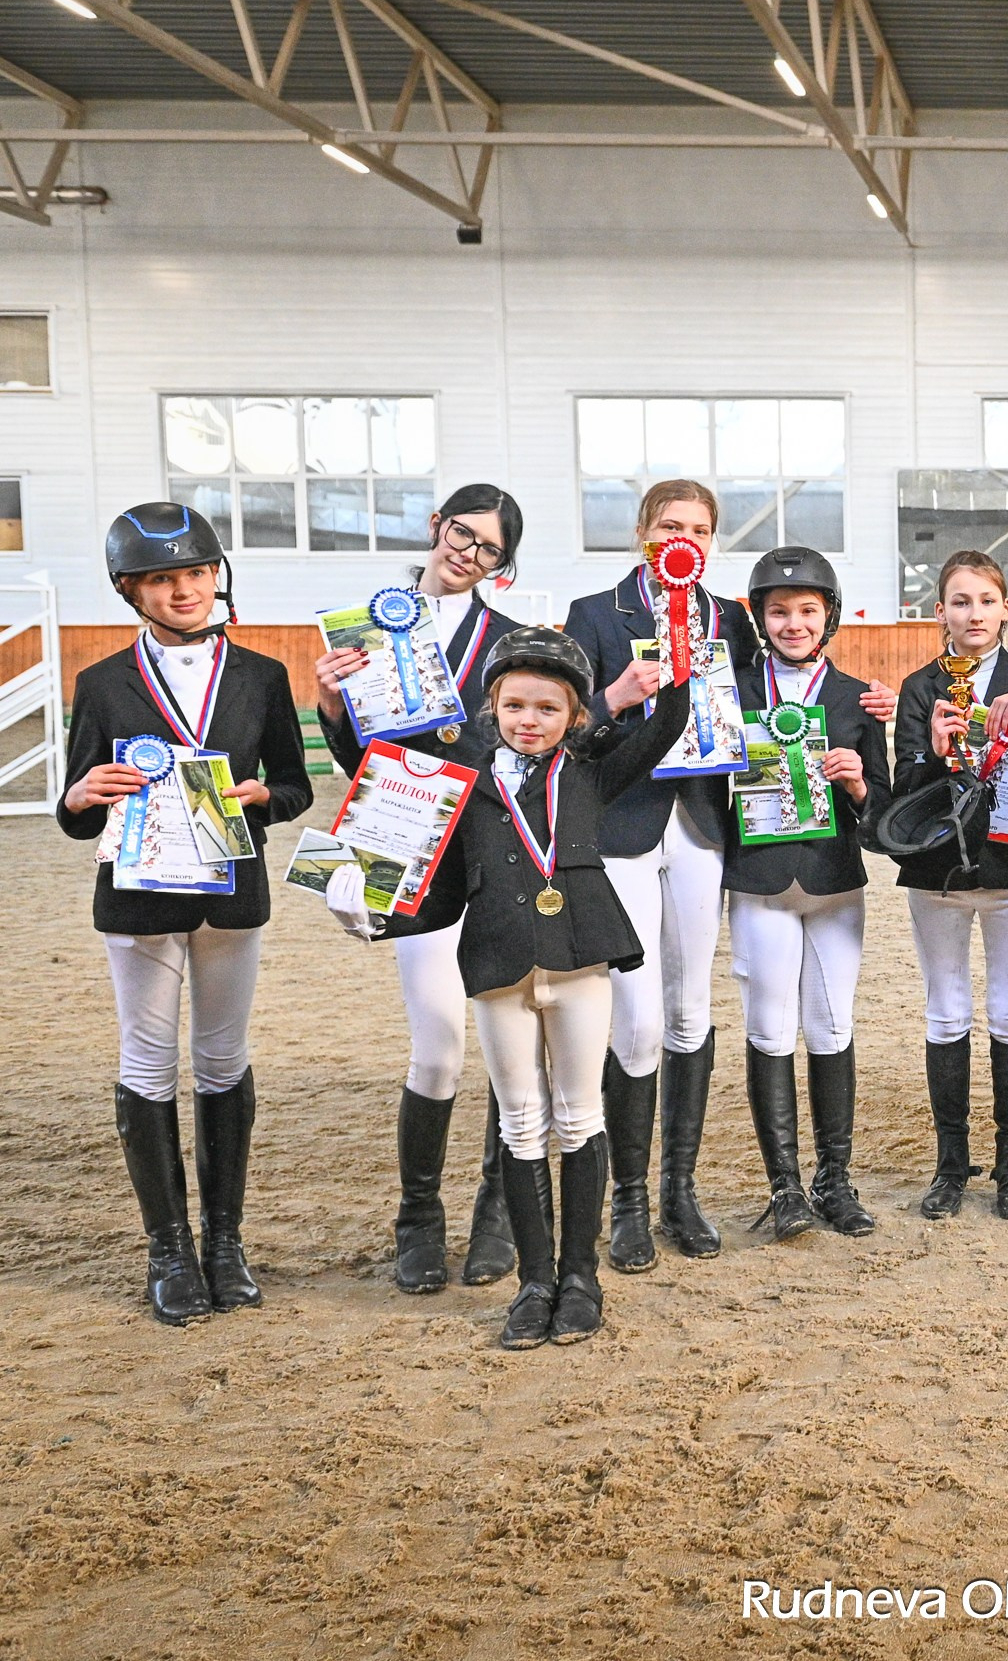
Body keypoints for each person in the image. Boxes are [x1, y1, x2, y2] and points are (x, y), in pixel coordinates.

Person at [333, 628, 690, 1347]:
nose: (530, 719)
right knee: (521, 1122)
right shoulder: (463, 784)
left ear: (576, 716)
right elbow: (438, 885)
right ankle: (534, 1281)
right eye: (515, 705)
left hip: (580, 962)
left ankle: (580, 1277)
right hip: (499, 964)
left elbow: (667, 725)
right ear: (491, 708)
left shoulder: (591, 773)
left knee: (580, 1116)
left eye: (548, 708)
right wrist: (372, 912)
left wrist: (676, 633)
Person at [57, 503, 312, 1325]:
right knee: (146, 1057)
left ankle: (224, 1241)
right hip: (139, 894)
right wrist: (80, 794)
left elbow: (296, 784)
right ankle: (167, 1247)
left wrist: (265, 797)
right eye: (162, 578)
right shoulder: (102, 682)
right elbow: (77, 810)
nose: (184, 589)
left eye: (196, 572)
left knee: (222, 1057)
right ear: (130, 589)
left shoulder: (262, 675)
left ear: (216, 577)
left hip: (229, 889)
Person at [311, 483, 528, 1294]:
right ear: (437, 526)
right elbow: (357, 760)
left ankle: (499, 1210)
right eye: (461, 534)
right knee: (438, 1047)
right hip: (414, 847)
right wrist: (332, 702)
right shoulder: (370, 628)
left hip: (497, 853)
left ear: (501, 563)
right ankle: (418, 1216)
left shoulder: (512, 640)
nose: (467, 554)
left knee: (508, 1045)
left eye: (488, 548)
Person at [561, 482, 759, 1273]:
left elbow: (764, 704)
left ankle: (680, 1188)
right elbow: (569, 727)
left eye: (700, 528)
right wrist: (615, 696)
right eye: (671, 525)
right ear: (643, 532)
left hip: (701, 824)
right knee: (637, 1019)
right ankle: (630, 1198)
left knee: (690, 1009)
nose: (686, 538)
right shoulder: (594, 614)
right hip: (624, 824)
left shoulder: (733, 618)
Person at [724, 546, 891, 1242]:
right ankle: (784, 1186)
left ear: (829, 617)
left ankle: (834, 1178)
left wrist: (858, 783)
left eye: (806, 611)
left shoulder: (858, 698)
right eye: (778, 612)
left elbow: (883, 814)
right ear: (761, 619)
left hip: (832, 882)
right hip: (759, 878)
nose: (793, 623)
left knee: (831, 1024)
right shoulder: (731, 690)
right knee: (769, 1026)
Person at [888, 549, 1008, 1221]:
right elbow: (904, 789)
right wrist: (932, 752)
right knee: (946, 1010)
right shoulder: (919, 688)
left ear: (1006, 609)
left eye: (987, 601)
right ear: (941, 612)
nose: (975, 614)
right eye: (961, 601)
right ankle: (950, 1164)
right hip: (937, 870)